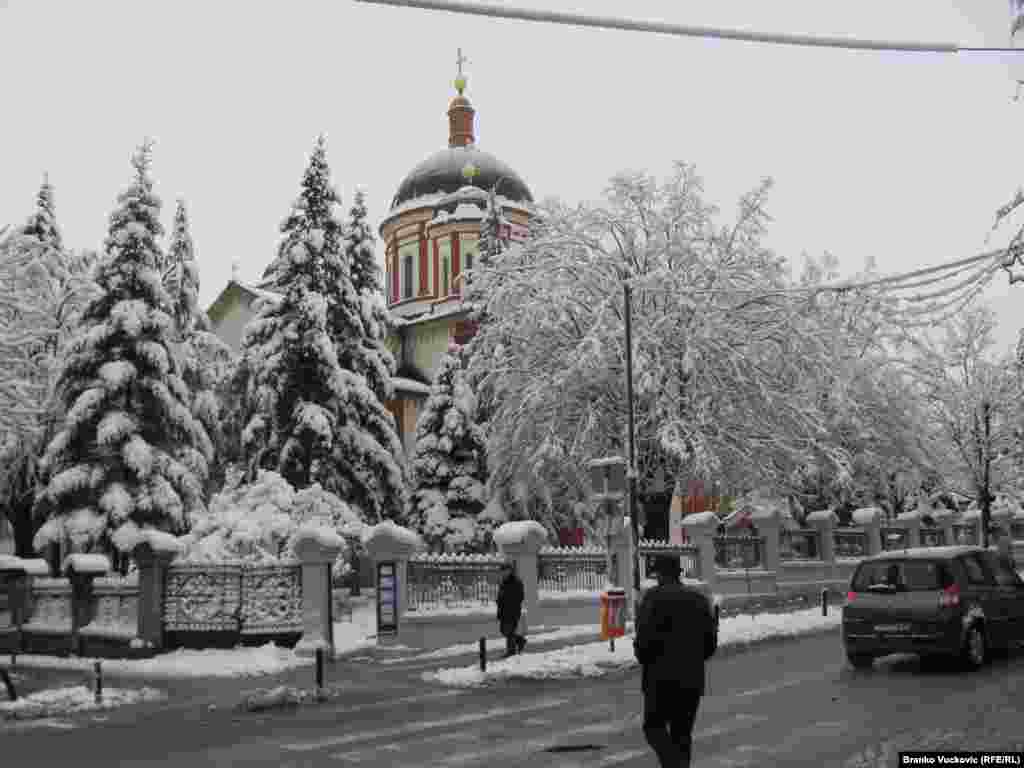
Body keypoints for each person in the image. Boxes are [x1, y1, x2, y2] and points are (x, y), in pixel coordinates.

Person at [634, 555, 718, 768]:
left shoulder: (652, 598)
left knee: (653, 727)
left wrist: (643, 655)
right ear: (678, 573)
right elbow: (710, 646)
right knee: (682, 734)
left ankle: (673, 764)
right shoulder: (699, 600)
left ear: (659, 575)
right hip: (691, 680)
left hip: (658, 680)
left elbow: (643, 643)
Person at [496, 561, 526, 657]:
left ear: (510, 570)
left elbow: (520, 596)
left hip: (512, 610)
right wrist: (499, 600)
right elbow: (501, 594)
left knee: (509, 631)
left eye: (505, 570)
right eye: (502, 571)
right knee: (504, 630)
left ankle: (511, 651)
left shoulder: (516, 581)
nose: (503, 573)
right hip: (503, 610)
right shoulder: (503, 581)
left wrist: (510, 602)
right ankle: (520, 640)